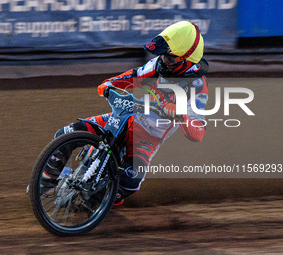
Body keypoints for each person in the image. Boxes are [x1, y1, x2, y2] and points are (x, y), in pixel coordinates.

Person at [46, 21, 209, 205]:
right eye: (163, 56)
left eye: (170, 58)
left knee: (129, 181)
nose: (164, 61)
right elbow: (135, 75)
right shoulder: (158, 64)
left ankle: (95, 207)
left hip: (147, 138)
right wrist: (109, 83)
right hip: (125, 116)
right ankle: (45, 183)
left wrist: (180, 114)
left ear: (186, 61)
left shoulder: (197, 87)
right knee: (66, 134)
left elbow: (198, 132)